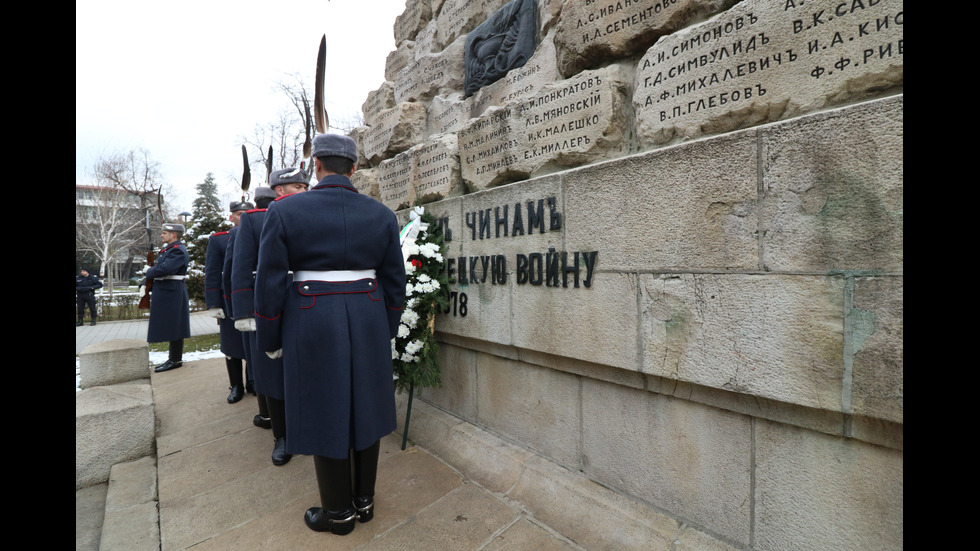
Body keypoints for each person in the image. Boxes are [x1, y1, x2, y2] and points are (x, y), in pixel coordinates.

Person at [254, 134, 406, 535]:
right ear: (354, 169)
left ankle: (338, 513)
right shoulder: (381, 214)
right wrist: (385, 329)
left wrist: (269, 337)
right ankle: (364, 502)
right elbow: (394, 281)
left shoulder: (285, 211)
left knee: (325, 408)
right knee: (367, 406)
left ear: (317, 166)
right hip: (369, 314)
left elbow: (269, 283)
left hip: (311, 315)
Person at [231, 172, 309, 467]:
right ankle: (283, 435)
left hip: (307, 302)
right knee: (274, 375)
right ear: (279, 189)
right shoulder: (253, 220)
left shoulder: (314, 211)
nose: (302, 191)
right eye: (296, 186)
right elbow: (242, 268)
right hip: (271, 305)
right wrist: (245, 313)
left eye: (304, 186)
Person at [205, 200, 253, 403]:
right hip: (229, 300)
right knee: (232, 345)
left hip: (252, 297)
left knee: (253, 343)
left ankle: (253, 381)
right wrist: (214, 303)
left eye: (246, 214)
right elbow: (213, 272)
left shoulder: (259, 234)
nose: (242, 218)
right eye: (238, 214)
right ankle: (236, 385)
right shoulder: (219, 240)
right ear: (231, 216)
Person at [145, 223, 191, 373]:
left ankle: (175, 359)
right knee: (173, 324)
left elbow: (166, 269)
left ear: (174, 235)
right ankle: (173, 358)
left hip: (172, 291)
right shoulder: (170, 250)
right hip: (167, 290)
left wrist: (149, 271)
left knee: (175, 325)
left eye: (164, 233)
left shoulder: (177, 251)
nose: (161, 235)